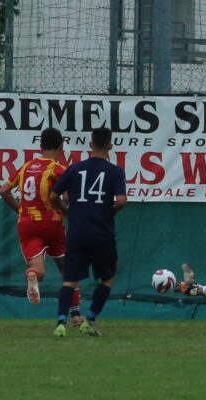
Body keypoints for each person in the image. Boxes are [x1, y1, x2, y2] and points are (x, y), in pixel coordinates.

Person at [0, 127, 83, 326]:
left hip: (26, 224)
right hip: (51, 224)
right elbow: (66, 197)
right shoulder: (58, 169)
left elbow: (3, 190)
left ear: (40, 146)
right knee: (69, 271)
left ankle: (32, 275)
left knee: (38, 269)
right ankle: (76, 315)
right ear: (62, 146)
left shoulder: (26, 166)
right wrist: (66, 209)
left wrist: (20, 209)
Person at [50, 127, 127, 337]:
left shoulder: (74, 169)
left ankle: (60, 323)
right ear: (110, 145)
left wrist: (67, 211)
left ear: (90, 144)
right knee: (108, 276)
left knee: (70, 279)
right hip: (102, 232)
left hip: (77, 232)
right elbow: (121, 201)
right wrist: (110, 212)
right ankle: (90, 319)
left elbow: (53, 195)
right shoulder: (115, 171)